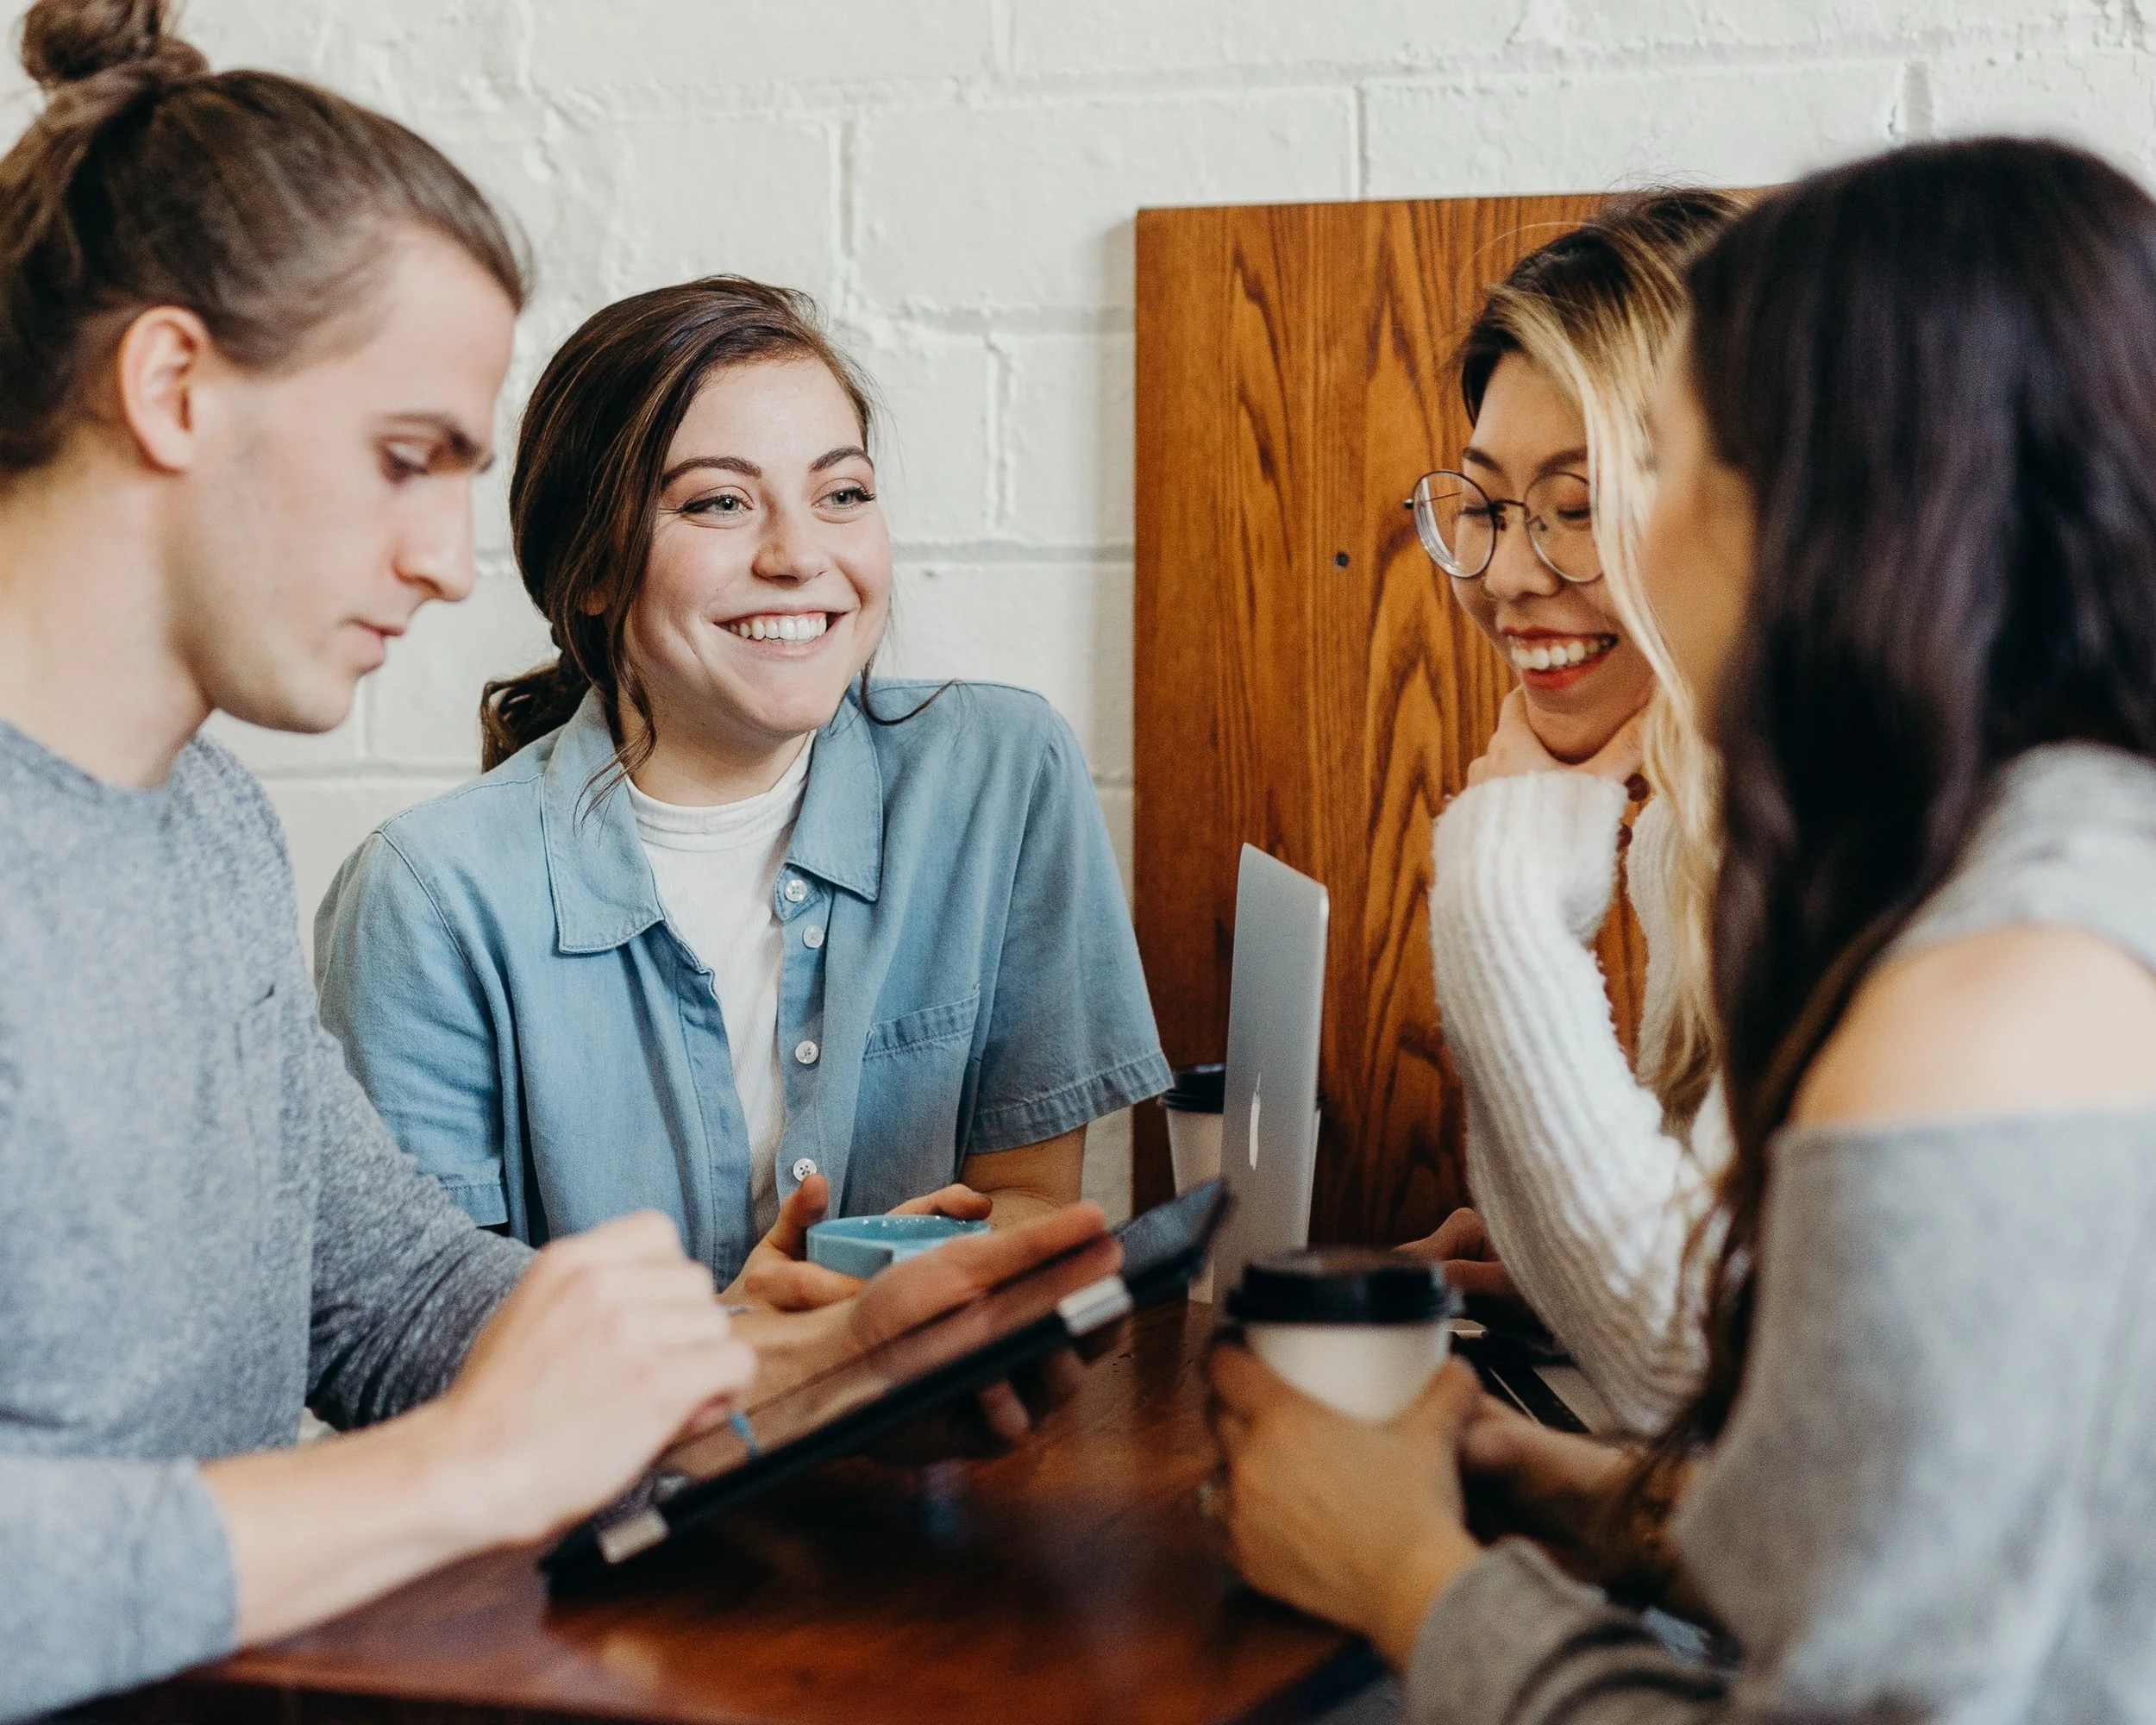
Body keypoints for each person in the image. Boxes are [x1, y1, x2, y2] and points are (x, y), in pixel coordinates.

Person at [0, 5, 1110, 1716]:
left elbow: (385, 1295)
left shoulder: (198, 827)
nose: (454, 565)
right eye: (403, 459)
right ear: (170, 389)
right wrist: (464, 1475)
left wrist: (782, 1376)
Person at [1210, 135, 2156, 1719]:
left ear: (1832, 509)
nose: (1565, 563)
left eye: (1659, 461)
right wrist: (1600, 1506)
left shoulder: (1981, 1003)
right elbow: (1924, 1545)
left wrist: (1409, 1580)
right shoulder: (2045, 869)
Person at [313, 276, 1170, 1301]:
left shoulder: (1000, 773)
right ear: (588, 568)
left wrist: (908, 1282)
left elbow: (1030, 1198)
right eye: (719, 502)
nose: (799, 555)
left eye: (841, 493)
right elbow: (423, 1339)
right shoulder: (425, 897)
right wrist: (752, 1344)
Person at [1401, 192, 1739, 1433]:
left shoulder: (1845, 837)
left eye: (1579, 506)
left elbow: (1683, 1368)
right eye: (1485, 506)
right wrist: (1555, 1263)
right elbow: (1720, 1320)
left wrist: (1497, 886)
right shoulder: (1690, 826)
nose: (1505, 573)